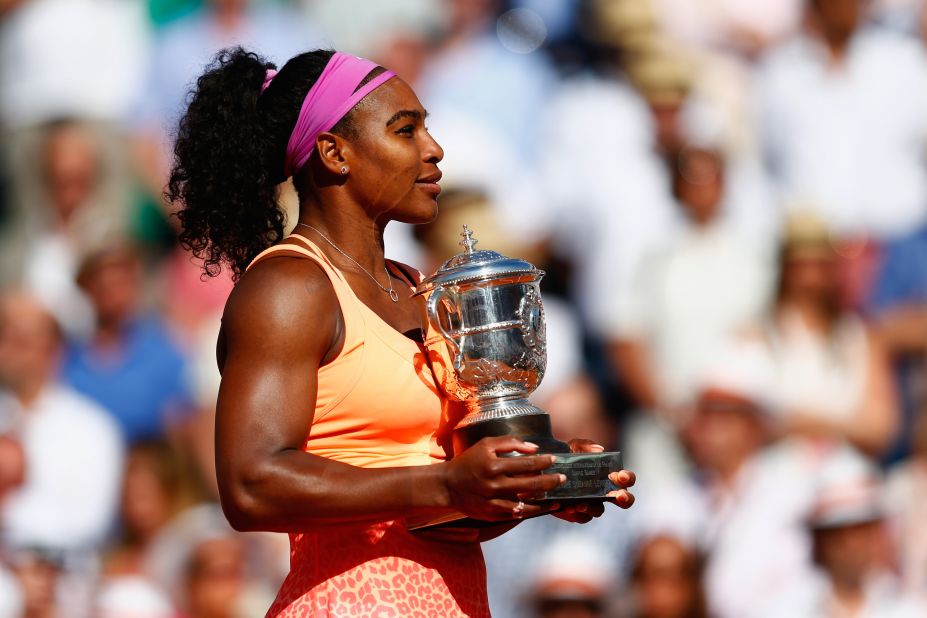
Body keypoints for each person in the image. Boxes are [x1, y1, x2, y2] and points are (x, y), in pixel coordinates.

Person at [166, 47, 636, 617]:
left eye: (426, 130)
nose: (434, 150)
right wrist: (444, 485)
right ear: (335, 152)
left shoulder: (420, 290)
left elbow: (432, 521)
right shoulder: (290, 286)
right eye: (405, 130)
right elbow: (250, 484)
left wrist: (534, 481)